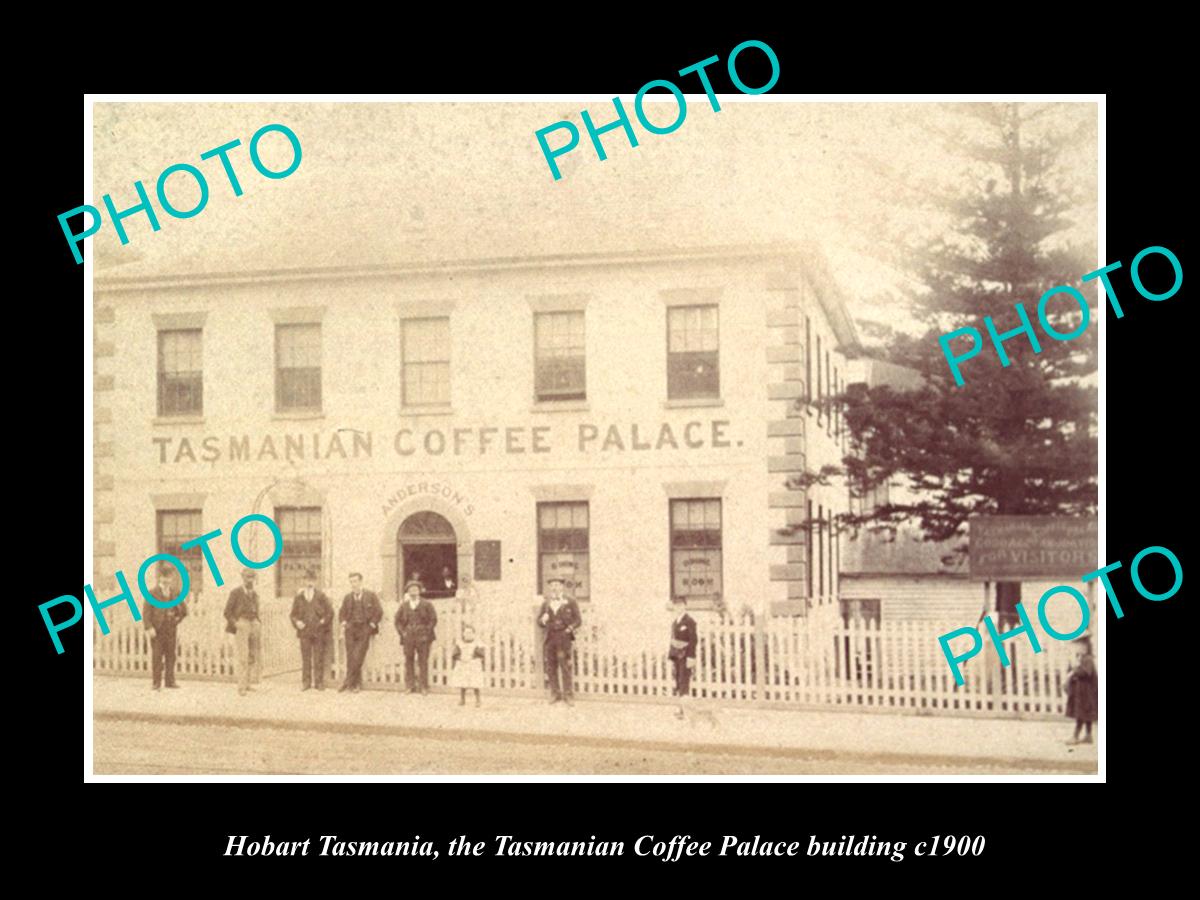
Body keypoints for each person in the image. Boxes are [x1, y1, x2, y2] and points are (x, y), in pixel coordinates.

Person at [143, 563, 188, 691]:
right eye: (164, 577)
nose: (166, 580)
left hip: (171, 629)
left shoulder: (175, 592)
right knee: (157, 656)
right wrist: (149, 627)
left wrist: (176, 620)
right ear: (159, 578)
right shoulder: (152, 593)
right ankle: (156, 682)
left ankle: (170, 681)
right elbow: (146, 613)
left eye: (169, 577)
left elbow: (184, 610)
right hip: (157, 629)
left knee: (171, 655)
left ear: (172, 578)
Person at [537, 577, 581, 706]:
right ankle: (555, 693)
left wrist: (569, 629)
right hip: (550, 637)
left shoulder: (570, 601)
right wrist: (543, 620)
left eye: (557, 585)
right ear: (550, 588)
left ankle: (568, 695)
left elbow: (578, 620)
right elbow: (538, 622)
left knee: (565, 666)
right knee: (551, 666)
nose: (554, 588)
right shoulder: (546, 603)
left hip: (564, 637)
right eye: (552, 585)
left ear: (562, 587)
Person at [289, 569, 333, 691]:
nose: (309, 582)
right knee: (306, 657)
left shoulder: (321, 596)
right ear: (304, 581)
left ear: (315, 581)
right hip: (304, 632)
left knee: (318, 657)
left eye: (312, 580)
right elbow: (293, 614)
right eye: (307, 580)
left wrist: (323, 622)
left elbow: (330, 613)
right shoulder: (299, 597)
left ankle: (318, 682)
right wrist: (297, 622)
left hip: (318, 631)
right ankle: (306, 682)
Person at [339, 572, 382, 693]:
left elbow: (379, 611)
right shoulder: (347, 597)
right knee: (350, 655)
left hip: (364, 629)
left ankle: (348, 682)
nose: (353, 584)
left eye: (355, 581)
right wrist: (344, 623)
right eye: (351, 582)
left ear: (361, 581)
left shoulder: (370, 595)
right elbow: (341, 612)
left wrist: (371, 625)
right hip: (350, 629)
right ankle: (355, 684)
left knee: (358, 656)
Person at [223, 568, 262, 696]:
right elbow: (227, 612)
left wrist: (258, 622)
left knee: (252, 655)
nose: (249, 580)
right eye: (247, 577)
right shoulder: (236, 593)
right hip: (242, 624)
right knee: (243, 656)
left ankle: (248, 683)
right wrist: (236, 624)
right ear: (243, 578)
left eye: (252, 577)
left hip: (254, 625)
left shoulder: (255, 594)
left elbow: (257, 609)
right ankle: (241, 687)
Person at [395, 580, 438, 694]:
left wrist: (426, 632)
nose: (413, 592)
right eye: (410, 590)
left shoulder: (427, 604)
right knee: (408, 660)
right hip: (408, 636)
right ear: (407, 592)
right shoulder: (404, 606)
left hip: (423, 637)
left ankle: (423, 686)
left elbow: (433, 620)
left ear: (419, 591)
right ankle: (410, 686)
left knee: (423, 661)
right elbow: (397, 621)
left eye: (415, 589)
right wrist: (402, 632)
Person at [668, 596, 698, 719]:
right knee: (678, 682)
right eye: (676, 605)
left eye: (681, 605)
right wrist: (672, 656)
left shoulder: (690, 621)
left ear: (685, 606)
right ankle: (681, 708)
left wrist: (691, 657)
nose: (678, 607)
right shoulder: (675, 622)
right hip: (677, 656)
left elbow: (693, 640)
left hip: (686, 656)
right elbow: (672, 640)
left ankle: (684, 711)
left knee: (684, 682)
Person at [1065, 638, 1098, 745]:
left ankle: (1075, 736)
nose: (1077, 649)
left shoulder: (1088, 659)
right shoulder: (1080, 658)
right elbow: (1072, 671)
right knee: (1086, 714)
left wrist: (1074, 671)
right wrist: (1072, 667)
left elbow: (1086, 673)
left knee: (1081, 714)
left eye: (1079, 647)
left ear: (1086, 648)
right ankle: (1088, 736)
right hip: (1081, 692)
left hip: (1087, 693)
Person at [450, 623, 486, 707]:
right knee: (462, 682)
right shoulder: (459, 643)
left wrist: (474, 658)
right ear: (463, 634)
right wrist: (460, 658)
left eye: (470, 633)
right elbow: (455, 654)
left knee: (475, 682)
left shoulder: (477, 643)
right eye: (466, 633)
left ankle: (478, 700)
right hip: (463, 664)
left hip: (473, 665)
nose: (468, 635)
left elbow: (481, 654)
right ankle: (462, 699)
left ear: (474, 634)